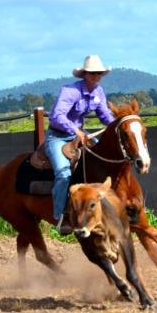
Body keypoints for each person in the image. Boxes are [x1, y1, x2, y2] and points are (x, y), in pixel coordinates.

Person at [46, 54, 117, 234]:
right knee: (63, 173)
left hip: (80, 135)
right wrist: (75, 130)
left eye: (99, 73)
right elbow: (56, 116)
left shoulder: (98, 92)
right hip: (58, 137)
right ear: (84, 74)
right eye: (92, 73)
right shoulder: (70, 91)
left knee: (103, 158)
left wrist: (117, 125)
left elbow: (105, 115)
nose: (96, 76)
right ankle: (60, 217)